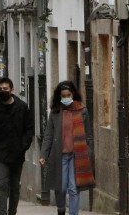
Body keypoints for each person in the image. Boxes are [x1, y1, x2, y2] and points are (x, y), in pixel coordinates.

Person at [39, 81, 95, 215]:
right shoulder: (55, 112)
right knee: (61, 187)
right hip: (60, 156)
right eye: (63, 96)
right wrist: (43, 155)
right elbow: (48, 135)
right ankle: (61, 208)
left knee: (74, 188)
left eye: (68, 95)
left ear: (73, 94)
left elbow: (89, 135)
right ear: (59, 96)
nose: (66, 98)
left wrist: (90, 153)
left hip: (77, 156)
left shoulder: (83, 111)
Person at [0, 77, 34, 215]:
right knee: (2, 185)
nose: (2, 91)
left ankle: (12, 212)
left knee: (14, 187)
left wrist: (24, 145)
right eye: (0, 89)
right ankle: (2, 213)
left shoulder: (21, 107)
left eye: (5, 89)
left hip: (17, 153)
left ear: (12, 90)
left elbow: (29, 128)